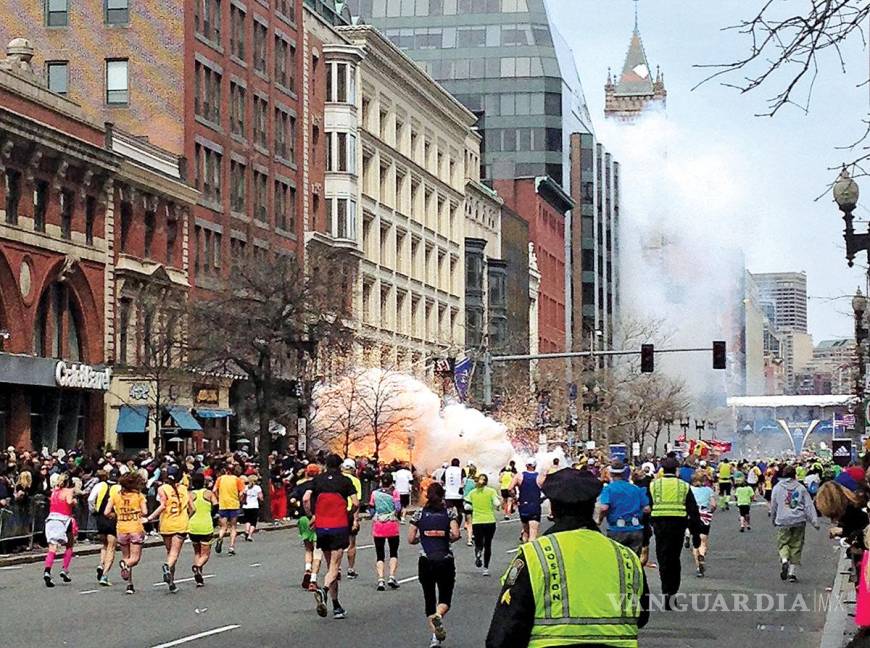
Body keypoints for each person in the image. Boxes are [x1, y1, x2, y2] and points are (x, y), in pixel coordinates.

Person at [486, 468, 649, 648]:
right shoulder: (626, 557)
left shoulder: (535, 555)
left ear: (553, 509)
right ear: (592, 505)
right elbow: (641, 616)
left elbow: (505, 629)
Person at [303, 454, 360, 620]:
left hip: (322, 526)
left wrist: (312, 515)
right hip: (339, 526)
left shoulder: (317, 480)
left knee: (330, 565)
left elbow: (306, 498)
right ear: (340, 466)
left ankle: (336, 605)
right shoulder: (345, 481)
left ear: (326, 465)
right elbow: (355, 503)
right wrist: (348, 514)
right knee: (335, 566)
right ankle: (324, 590)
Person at [409, 482, 461, 648]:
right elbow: (456, 534)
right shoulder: (450, 513)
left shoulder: (419, 513)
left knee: (429, 598)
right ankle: (439, 615)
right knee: (445, 597)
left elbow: (411, 539)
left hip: (426, 560)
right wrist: (444, 536)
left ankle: (434, 639)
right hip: (445, 558)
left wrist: (421, 538)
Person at [649, 457, 701, 609]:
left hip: (660, 526)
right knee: (674, 559)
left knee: (663, 559)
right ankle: (672, 593)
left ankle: (665, 590)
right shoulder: (683, 486)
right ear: (676, 470)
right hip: (678, 525)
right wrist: (695, 533)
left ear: (662, 470)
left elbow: (647, 506)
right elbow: (693, 511)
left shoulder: (654, 485)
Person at [146, 465, 193, 593]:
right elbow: (192, 509)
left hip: (166, 523)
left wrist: (149, 518)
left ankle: (171, 581)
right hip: (180, 524)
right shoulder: (184, 489)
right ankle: (167, 568)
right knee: (174, 554)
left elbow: (162, 505)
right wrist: (187, 517)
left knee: (169, 552)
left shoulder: (162, 489)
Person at [770, 464, 820, 582]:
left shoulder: (777, 487)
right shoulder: (801, 488)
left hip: (783, 520)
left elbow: (773, 505)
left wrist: (773, 519)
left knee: (783, 543)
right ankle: (792, 573)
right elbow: (808, 505)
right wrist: (815, 521)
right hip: (799, 520)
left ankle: (784, 560)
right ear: (795, 475)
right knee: (796, 545)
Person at [104, 472, 148, 595]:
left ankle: (129, 584)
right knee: (134, 558)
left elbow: (107, 512)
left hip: (121, 528)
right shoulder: (139, 496)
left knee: (126, 555)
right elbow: (145, 511)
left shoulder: (115, 496)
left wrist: (116, 514)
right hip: (135, 527)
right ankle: (125, 565)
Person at [597, 459, 649, 556]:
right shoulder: (636, 488)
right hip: (635, 528)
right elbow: (647, 509)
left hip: (616, 530)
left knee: (618, 561)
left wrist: (599, 520)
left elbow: (604, 508)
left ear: (611, 473)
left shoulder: (608, 489)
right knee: (635, 560)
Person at [291, 464, 323, 591]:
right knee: (317, 549)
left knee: (308, 548)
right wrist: (312, 514)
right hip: (317, 518)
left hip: (303, 519)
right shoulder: (320, 486)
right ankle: (313, 579)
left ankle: (307, 569)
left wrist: (297, 506)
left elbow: (292, 499)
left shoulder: (300, 485)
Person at [42, 473, 77, 588]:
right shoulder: (69, 491)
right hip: (64, 519)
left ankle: (47, 570)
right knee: (69, 545)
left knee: (52, 547)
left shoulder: (54, 492)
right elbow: (68, 502)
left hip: (51, 518)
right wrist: (74, 502)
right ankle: (64, 568)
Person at [370, 473, 402, 590]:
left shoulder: (375, 493)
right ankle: (392, 576)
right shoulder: (395, 493)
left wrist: (377, 515)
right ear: (391, 482)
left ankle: (380, 579)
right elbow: (398, 507)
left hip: (379, 525)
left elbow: (371, 507)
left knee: (380, 554)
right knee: (393, 552)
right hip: (392, 525)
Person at [88, 469, 119, 586]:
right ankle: (105, 575)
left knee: (104, 544)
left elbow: (91, 499)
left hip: (100, 517)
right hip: (112, 517)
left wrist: (94, 510)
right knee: (111, 546)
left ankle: (101, 563)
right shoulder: (119, 488)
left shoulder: (101, 485)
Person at [465, 473, 500, 575]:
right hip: (490, 521)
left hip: (477, 522)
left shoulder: (472, 493)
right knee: (488, 545)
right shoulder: (491, 491)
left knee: (478, 543)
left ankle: (478, 552)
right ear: (486, 482)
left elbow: (467, 506)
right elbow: (497, 503)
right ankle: (486, 568)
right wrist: (498, 506)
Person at [187, 472, 218, 587]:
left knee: (197, 551)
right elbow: (216, 505)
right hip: (205, 525)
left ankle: (199, 577)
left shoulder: (190, 494)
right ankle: (197, 566)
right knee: (205, 554)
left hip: (193, 526)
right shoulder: (208, 493)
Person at [214, 464, 245, 555]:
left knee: (223, 526)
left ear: (226, 470)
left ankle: (220, 537)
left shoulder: (220, 479)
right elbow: (242, 493)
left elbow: (214, 490)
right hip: (234, 505)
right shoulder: (238, 480)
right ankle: (231, 547)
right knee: (233, 527)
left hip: (223, 504)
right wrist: (240, 500)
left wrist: (218, 497)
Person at [689, 472, 716, 577]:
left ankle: (698, 566)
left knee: (695, 541)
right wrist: (711, 511)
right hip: (705, 515)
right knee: (703, 540)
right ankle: (702, 554)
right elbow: (713, 505)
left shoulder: (689, 489)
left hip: (693, 515)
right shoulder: (708, 490)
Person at [511, 460, 543, 543]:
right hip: (534, 505)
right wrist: (542, 499)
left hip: (523, 505)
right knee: (533, 534)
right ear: (535, 466)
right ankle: (530, 553)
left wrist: (515, 498)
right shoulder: (539, 477)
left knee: (525, 532)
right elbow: (548, 489)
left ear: (526, 465)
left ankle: (524, 550)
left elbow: (510, 488)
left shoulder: (519, 475)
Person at [341, 458, 363, 579]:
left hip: (337, 513)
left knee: (337, 543)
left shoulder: (338, 479)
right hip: (350, 512)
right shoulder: (355, 481)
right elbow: (356, 501)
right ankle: (350, 568)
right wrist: (355, 519)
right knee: (351, 542)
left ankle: (336, 567)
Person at [442, 458, 465, 524]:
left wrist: (445, 488)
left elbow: (442, 481)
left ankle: (449, 525)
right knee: (460, 512)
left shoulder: (447, 470)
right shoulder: (461, 470)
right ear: (459, 464)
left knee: (449, 511)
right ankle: (458, 525)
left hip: (448, 495)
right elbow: (464, 481)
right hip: (458, 495)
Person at [242, 475, 263, 541]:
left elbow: (242, 495)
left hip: (246, 506)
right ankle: (250, 535)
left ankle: (246, 531)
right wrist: (261, 499)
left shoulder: (245, 487)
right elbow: (260, 497)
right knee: (253, 522)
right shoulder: (257, 488)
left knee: (247, 520)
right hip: (254, 506)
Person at [462, 465, 478, 546]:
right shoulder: (475, 482)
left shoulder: (465, 481)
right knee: (474, 521)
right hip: (473, 504)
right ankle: (474, 534)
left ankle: (469, 539)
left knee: (469, 523)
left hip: (465, 504)